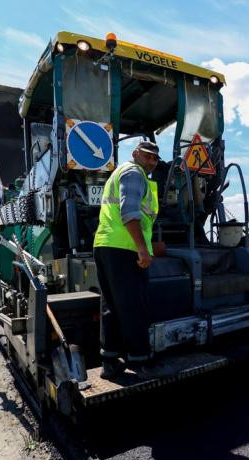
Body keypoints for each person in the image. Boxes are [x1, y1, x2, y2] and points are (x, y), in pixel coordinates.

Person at [93, 141, 160, 379]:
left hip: (106, 245)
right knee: (134, 305)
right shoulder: (133, 173)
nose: (152, 161)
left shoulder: (120, 172)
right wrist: (142, 248)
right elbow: (129, 212)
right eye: (148, 156)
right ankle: (140, 361)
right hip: (125, 248)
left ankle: (109, 361)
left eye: (155, 158)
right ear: (136, 154)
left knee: (111, 305)